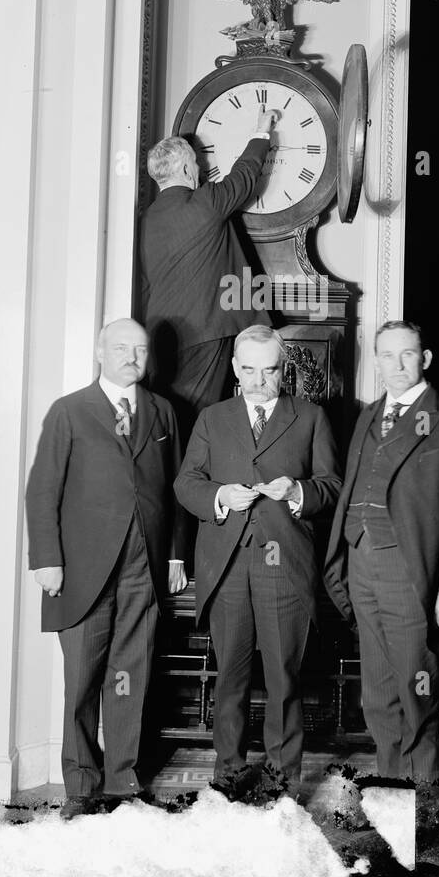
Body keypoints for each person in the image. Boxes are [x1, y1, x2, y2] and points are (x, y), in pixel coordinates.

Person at [25, 318, 187, 818]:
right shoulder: (69, 411)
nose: (131, 358)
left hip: (143, 565)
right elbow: (42, 490)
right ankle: (81, 784)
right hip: (83, 570)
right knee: (82, 680)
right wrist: (47, 559)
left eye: (140, 350)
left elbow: (178, 488)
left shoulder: (162, 411)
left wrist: (176, 555)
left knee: (129, 675)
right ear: (99, 352)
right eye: (120, 348)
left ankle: (122, 780)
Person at [174, 325, 341, 797]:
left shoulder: (311, 417)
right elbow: (186, 483)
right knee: (230, 677)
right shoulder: (211, 418)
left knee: (284, 678)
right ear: (235, 367)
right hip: (227, 566)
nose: (258, 380)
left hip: (284, 566)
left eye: (268, 370)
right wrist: (220, 496)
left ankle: (281, 785)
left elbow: (332, 487)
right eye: (248, 369)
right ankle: (228, 777)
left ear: (283, 368)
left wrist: (297, 491)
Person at [323, 321, 439, 782]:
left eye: (407, 354)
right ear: (376, 361)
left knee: (417, 686)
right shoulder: (369, 415)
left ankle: (424, 797)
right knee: (378, 692)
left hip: (410, 570)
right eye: (387, 355)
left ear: (424, 359)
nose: (397, 364)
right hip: (361, 562)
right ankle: (390, 788)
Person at [138, 111, 274, 426]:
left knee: (167, 420)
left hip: (159, 339)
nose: (200, 169)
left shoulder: (144, 221)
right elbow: (244, 176)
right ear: (187, 169)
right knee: (197, 422)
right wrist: (261, 132)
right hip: (205, 333)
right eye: (197, 163)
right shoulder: (205, 202)